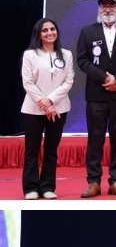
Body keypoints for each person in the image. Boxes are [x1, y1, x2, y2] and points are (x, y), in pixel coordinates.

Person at [76, 0, 116, 198]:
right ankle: (93, 181)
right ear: (99, 8)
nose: (108, 9)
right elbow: (82, 60)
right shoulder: (87, 32)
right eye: (104, 5)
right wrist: (104, 77)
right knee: (95, 139)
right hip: (97, 94)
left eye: (112, 5)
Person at [20, 18, 73, 200]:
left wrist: (50, 101)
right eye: (45, 30)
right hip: (33, 109)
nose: (50, 33)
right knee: (32, 150)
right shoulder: (30, 55)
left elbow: (68, 81)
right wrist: (44, 102)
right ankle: (30, 188)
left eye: (52, 29)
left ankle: (47, 186)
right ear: (39, 34)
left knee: (51, 150)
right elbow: (27, 82)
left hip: (59, 108)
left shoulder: (66, 54)